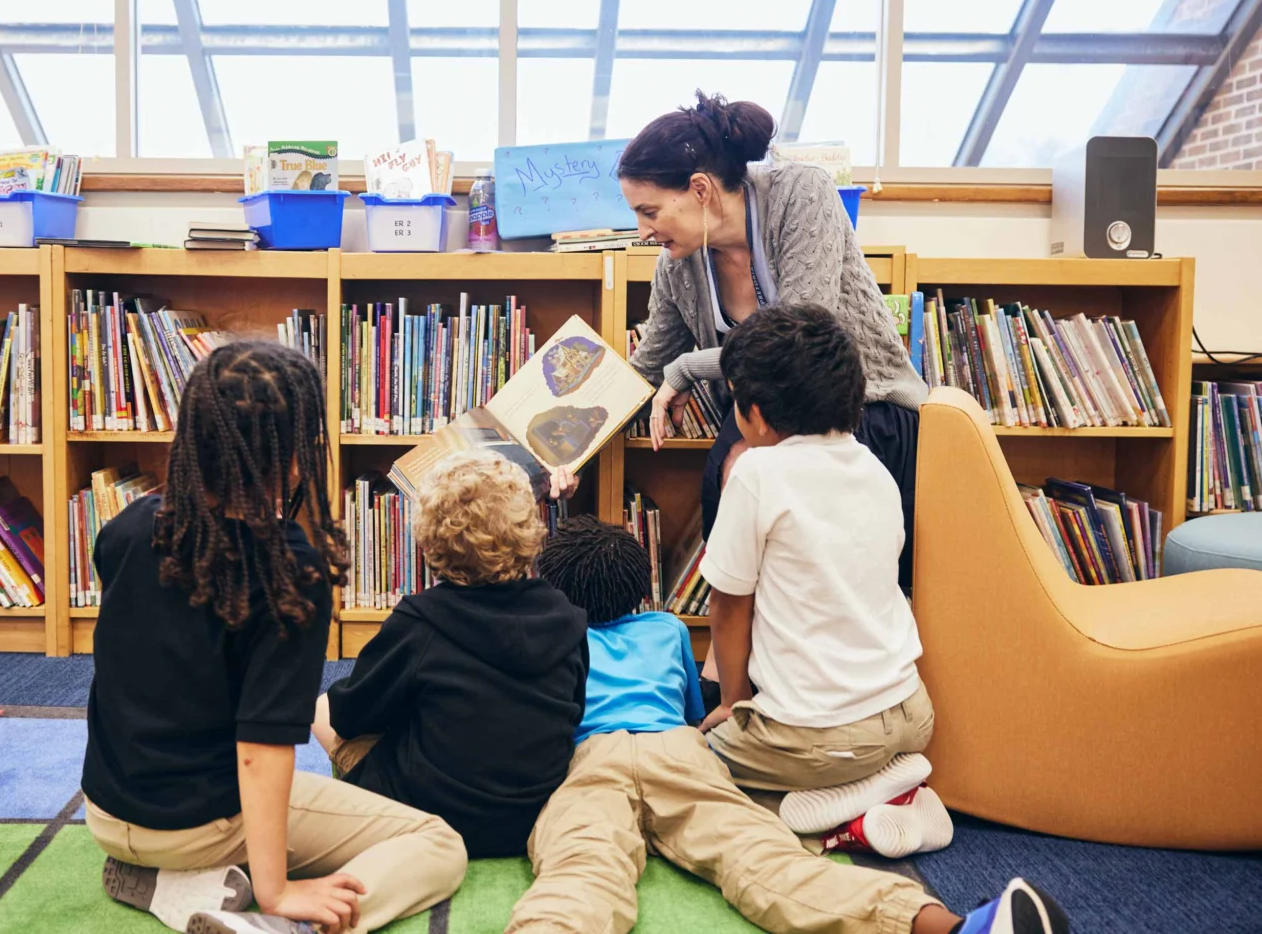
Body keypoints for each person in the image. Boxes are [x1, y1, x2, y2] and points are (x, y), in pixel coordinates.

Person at [508, 516, 1067, 934]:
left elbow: (547, 715)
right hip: (676, 749)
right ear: (640, 586)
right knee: (761, 857)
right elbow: (690, 712)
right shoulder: (665, 627)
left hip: (592, 756)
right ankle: (945, 926)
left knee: (581, 863)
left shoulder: (554, 634)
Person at [81, 341, 466, 934]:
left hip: (106, 812)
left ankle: (172, 883)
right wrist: (278, 890)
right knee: (436, 842)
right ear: (292, 455)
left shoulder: (128, 526)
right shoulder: (288, 570)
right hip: (196, 822)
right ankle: (284, 927)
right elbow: (261, 752)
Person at [620, 90, 927, 575]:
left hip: (860, 407)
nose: (641, 231)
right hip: (762, 417)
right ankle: (747, 636)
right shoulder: (675, 266)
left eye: (650, 212)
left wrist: (686, 369)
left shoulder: (802, 194)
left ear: (700, 189)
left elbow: (799, 343)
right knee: (730, 483)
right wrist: (558, 450)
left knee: (753, 476)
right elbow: (643, 371)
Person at [697, 304, 950, 857]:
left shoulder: (757, 473)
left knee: (689, 764)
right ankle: (894, 792)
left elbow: (729, 604)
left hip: (817, 739)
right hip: (911, 714)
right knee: (825, 749)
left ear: (756, 414)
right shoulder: (874, 467)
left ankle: (841, 822)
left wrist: (733, 706)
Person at [312, 452, 589, 859]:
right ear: (530, 529)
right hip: (529, 817)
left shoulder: (419, 623)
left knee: (321, 707)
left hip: (432, 819)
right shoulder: (566, 617)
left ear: (428, 542)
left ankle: (362, 817)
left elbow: (351, 715)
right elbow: (574, 711)